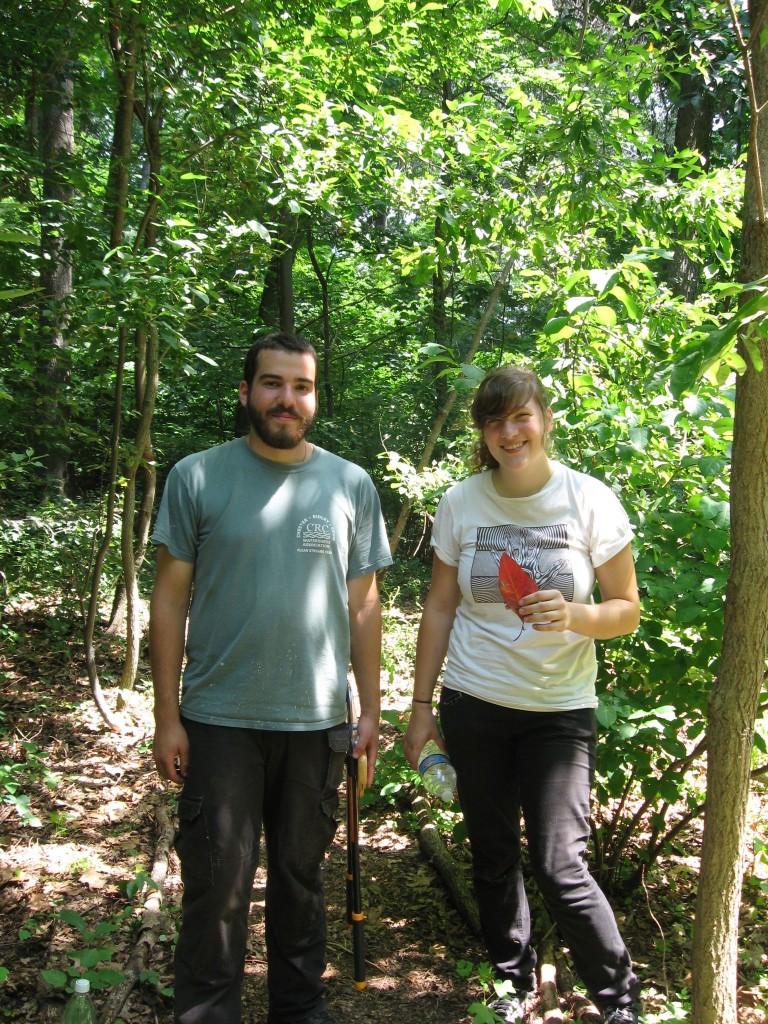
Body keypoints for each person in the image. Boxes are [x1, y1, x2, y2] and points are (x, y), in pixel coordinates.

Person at [150, 331, 393, 1024]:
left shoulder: (350, 483)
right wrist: (166, 715)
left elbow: (365, 605)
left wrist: (370, 710)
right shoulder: (197, 476)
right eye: (273, 384)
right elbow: (169, 600)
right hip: (219, 719)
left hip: (317, 722)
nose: (288, 399)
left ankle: (300, 1011)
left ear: (315, 397)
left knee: (300, 881)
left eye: (302, 387)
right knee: (217, 888)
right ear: (246, 391)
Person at [403, 365, 643, 1024]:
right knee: (491, 853)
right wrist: (421, 708)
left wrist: (576, 616)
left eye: (520, 417)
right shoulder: (461, 502)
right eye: (494, 422)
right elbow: (442, 606)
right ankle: (513, 986)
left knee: (561, 863)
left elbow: (626, 610)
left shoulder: (589, 500)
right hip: (475, 701)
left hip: (559, 711)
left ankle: (620, 1007)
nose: (509, 433)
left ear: (544, 419)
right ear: (483, 433)